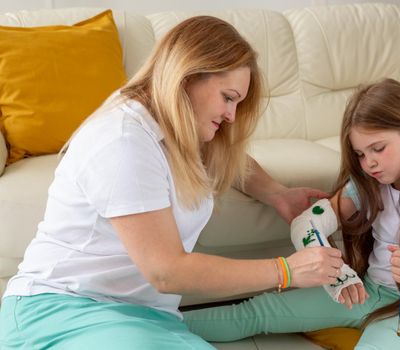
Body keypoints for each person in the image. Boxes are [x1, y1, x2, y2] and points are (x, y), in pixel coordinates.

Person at [0, 16, 346, 350]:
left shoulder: (175, 129)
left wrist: (278, 194)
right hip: (63, 309)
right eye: (228, 97)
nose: (231, 116)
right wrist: (285, 271)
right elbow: (166, 271)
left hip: (144, 315)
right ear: (188, 77)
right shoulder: (125, 140)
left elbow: (230, 160)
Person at [182, 78, 400, 350]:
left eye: (378, 148)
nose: (369, 163)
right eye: (360, 154)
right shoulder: (367, 185)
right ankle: (153, 324)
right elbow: (307, 223)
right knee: (256, 312)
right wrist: (338, 276)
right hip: (367, 292)